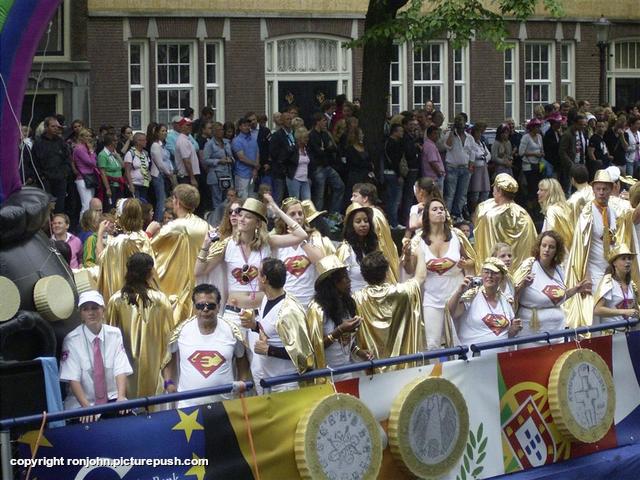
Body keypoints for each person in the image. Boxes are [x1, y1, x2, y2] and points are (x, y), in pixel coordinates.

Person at [195, 194, 309, 330]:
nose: (241, 219)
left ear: (258, 223)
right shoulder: (227, 244)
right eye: (240, 215)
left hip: (260, 313)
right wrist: (205, 245)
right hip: (233, 313)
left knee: (259, 351)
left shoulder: (267, 242)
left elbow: (301, 235)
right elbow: (199, 271)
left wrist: (279, 212)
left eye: (248, 217)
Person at [161, 284, 248, 408]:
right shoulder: (181, 331)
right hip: (188, 408)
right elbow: (168, 356)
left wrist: (242, 381)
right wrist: (168, 382)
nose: (205, 310)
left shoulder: (232, 330)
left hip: (225, 407)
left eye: (210, 305)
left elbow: (242, 357)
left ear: (218, 307)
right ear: (195, 308)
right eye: (200, 306)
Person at [405, 198, 472, 350]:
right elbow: (410, 271)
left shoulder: (457, 235)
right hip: (432, 298)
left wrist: (465, 264)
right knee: (432, 344)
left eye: (442, 209)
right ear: (427, 215)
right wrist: (407, 258)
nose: (439, 211)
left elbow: (473, 260)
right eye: (434, 209)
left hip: (457, 295)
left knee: (459, 341)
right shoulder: (418, 240)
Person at [239, 258, 315, 392]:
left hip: (288, 384)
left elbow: (304, 356)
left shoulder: (289, 311)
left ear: (265, 279)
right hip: (270, 380)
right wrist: (254, 325)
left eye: (258, 274)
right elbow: (273, 331)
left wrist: (269, 350)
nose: (255, 277)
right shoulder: (265, 299)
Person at [106, 253, 173, 400]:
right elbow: (169, 342)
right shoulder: (160, 300)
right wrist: (169, 380)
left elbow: (109, 342)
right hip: (154, 373)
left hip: (123, 376)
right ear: (150, 272)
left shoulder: (116, 300)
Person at [59, 291, 133, 420]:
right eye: (85, 309)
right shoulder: (72, 340)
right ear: (81, 314)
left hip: (112, 398)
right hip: (82, 403)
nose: (91, 312)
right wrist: (86, 407)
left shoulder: (114, 334)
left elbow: (120, 368)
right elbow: (72, 379)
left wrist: (121, 397)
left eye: (95, 308)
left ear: (103, 310)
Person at [564, 169, 618, 328]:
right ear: (593, 189)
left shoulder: (612, 212)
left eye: (605, 189)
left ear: (611, 189)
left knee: (610, 316)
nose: (601, 192)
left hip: (609, 272)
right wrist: (585, 275)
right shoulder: (587, 213)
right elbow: (581, 247)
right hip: (592, 271)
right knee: (593, 317)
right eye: (598, 189)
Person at [513, 232, 591, 343]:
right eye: (544, 245)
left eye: (551, 247)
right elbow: (511, 294)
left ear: (556, 251)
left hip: (558, 332)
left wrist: (575, 290)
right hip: (531, 335)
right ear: (538, 247)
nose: (546, 249)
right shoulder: (528, 265)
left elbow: (557, 299)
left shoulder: (559, 269)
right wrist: (523, 284)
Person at [150, 184, 211, 326]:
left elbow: (149, 249)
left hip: (173, 291)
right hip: (198, 286)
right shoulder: (205, 225)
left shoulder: (175, 226)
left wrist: (148, 232)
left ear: (176, 202)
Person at [353, 251, 426, 367]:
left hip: (373, 367)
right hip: (403, 367)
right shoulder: (403, 292)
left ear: (363, 275)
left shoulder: (357, 299)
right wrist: (421, 253)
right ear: (387, 272)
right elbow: (420, 276)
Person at [306, 256, 373, 375]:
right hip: (328, 374)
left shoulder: (348, 303)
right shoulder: (317, 308)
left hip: (348, 370)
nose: (349, 280)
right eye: (344, 277)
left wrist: (359, 352)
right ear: (332, 283)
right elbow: (315, 347)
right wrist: (339, 330)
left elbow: (346, 342)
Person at [447, 258, 522, 350]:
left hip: (500, 358)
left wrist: (513, 330)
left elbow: (506, 334)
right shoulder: (471, 295)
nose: (489, 276)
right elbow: (451, 313)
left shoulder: (505, 300)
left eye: (494, 273)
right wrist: (459, 292)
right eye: (486, 272)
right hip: (475, 358)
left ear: (502, 277)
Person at [473, 173, 537, 273]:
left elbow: (483, 245)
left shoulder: (489, 215)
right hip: (520, 273)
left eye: (494, 188)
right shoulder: (524, 214)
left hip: (493, 273)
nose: (492, 191)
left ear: (499, 191)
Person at [273, 197, 330, 307]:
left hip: (311, 303)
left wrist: (302, 241)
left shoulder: (314, 237)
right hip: (286, 304)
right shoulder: (278, 242)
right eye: (292, 214)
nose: (297, 217)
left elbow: (321, 262)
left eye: (300, 213)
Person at [96, 198, 155, 302]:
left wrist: (100, 233)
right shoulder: (143, 237)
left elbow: (101, 260)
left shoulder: (118, 242)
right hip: (145, 292)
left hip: (124, 295)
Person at [351, 183, 400, 282]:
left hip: (378, 265)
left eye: (355, 196)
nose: (352, 199)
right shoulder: (376, 212)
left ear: (365, 199)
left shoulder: (372, 216)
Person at [337, 203, 383, 293]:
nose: (363, 224)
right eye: (358, 221)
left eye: (366, 221)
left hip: (375, 297)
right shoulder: (345, 249)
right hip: (355, 299)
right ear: (351, 225)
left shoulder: (374, 245)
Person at [32, 116, 72, 213]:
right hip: (46, 180)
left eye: (58, 127)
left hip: (60, 180)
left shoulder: (61, 142)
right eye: (53, 126)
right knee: (46, 207)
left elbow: (67, 159)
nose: (56, 129)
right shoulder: (38, 143)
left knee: (60, 206)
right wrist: (41, 176)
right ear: (46, 127)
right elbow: (34, 162)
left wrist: (65, 174)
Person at [307, 112, 344, 213]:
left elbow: (332, 148)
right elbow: (318, 151)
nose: (325, 123)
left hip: (327, 166)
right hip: (318, 167)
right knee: (319, 194)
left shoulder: (325, 134)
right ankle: (317, 218)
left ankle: (334, 213)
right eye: (323, 121)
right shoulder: (311, 135)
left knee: (339, 186)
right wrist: (327, 149)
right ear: (317, 122)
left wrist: (326, 149)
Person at [594, 244, 640, 326]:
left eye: (629, 258)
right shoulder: (608, 282)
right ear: (614, 262)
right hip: (612, 333)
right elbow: (597, 310)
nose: (628, 261)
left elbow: (635, 308)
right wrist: (624, 311)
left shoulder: (631, 283)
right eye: (623, 259)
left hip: (629, 332)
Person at [443, 114, 473, 220]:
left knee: (462, 194)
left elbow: (472, 152)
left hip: (465, 168)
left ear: (465, 122)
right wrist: (452, 132)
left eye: (461, 121)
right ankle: (447, 215)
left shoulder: (469, 137)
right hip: (452, 167)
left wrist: (471, 165)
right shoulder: (449, 134)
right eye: (457, 121)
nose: (459, 123)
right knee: (450, 193)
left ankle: (457, 214)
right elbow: (448, 146)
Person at [203, 121, 234, 212]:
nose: (222, 132)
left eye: (222, 130)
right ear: (214, 132)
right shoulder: (209, 144)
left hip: (227, 174)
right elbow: (205, 160)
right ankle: (217, 220)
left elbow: (232, 156)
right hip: (216, 175)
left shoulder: (227, 143)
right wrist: (219, 161)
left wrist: (230, 159)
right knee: (217, 199)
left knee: (228, 197)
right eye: (219, 130)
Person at [537, 178, 573, 253]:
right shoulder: (564, 208)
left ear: (550, 193)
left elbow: (550, 237)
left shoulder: (551, 211)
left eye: (541, 190)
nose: (538, 192)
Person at [149, 123, 175, 223]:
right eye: (162, 131)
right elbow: (159, 163)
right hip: (158, 175)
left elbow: (167, 160)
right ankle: (158, 221)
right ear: (157, 133)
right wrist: (169, 173)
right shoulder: (155, 146)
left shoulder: (163, 146)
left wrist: (171, 170)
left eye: (166, 131)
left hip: (165, 174)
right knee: (161, 200)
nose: (164, 133)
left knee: (165, 199)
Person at [72, 128, 99, 219]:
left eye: (90, 136)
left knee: (90, 204)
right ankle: (82, 227)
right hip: (83, 178)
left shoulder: (86, 147)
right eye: (86, 136)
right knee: (86, 204)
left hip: (90, 177)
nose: (89, 138)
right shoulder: (79, 148)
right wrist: (91, 151)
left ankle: (89, 224)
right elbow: (91, 162)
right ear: (81, 137)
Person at [519, 118, 545, 207]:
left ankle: (536, 206)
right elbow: (521, 152)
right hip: (528, 166)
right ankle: (529, 206)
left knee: (537, 187)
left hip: (538, 165)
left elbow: (541, 149)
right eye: (537, 127)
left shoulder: (540, 137)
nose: (539, 129)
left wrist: (541, 154)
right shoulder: (525, 137)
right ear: (532, 127)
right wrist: (534, 154)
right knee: (531, 187)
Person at [97, 133, 125, 212]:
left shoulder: (114, 153)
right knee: (110, 207)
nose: (117, 142)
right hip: (111, 184)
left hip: (119, 184)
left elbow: (123, 166)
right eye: (115, 141)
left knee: (119, 207)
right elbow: (102, 173)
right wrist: (107, 188)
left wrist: (118, 156)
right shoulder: (102, 155)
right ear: (111, 142)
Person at [468, 122, 491, 213]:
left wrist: (484, 156)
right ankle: (474, 212)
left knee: (485, 191)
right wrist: (483, 156)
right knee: (475, 192)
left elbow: (488, 155)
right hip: (476, 169)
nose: (479, 134)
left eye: (480, 133)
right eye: (477, 132)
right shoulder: (472, 143)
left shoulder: (482, 143)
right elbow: (476, 155)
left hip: (484, 168)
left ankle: (482, 210)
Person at [285, 127, 312, 200]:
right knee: (295, 201)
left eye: (307, 137)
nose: (307, 139)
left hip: (305, 179)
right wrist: (287, 173)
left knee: (307, 202)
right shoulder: (292, 149)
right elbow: (284, 162)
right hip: (294, 179)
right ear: (299, 138)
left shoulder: (307, 149)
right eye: (305, 137)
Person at [123, 132, 151, 201]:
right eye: (144, 140)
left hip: (144, 184)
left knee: (143, 204)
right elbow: (127, 171)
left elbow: (147, 167)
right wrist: (131, 185)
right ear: (137, 141)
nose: (146, 142)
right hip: (135, 184)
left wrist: (149, 176)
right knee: (137, 204)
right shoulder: (130, 153)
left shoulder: (145, 153)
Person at [174, 117, 200, 187]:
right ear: (181, 127)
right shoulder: (183, 141)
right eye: (187, 125)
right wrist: (192, 178)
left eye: (191, 125)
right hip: (186, 177)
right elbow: (186, 161)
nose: (190, 127)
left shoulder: (187, 139)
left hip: (188, 176)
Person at [422, 125, 446, 192]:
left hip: (431, 176)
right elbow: (432, 161)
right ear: (429, 134)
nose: (437, 136)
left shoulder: (428, 144)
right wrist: (439, 173)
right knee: (437, 197)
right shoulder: (430, 146)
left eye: (438, 134)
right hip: (434, 177)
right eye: (435, 133)